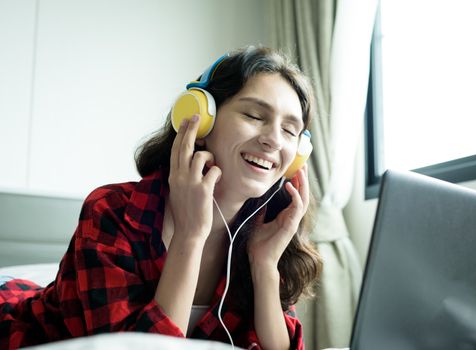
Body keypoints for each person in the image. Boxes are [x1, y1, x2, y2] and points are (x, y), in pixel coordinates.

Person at [0, 46, 322, 350]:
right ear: (201, 119)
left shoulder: (264, 228)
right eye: (254, 116)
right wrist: (189, 236)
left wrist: (264, 265)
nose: (273, 141)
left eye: (290, 131)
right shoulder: (111, 210)